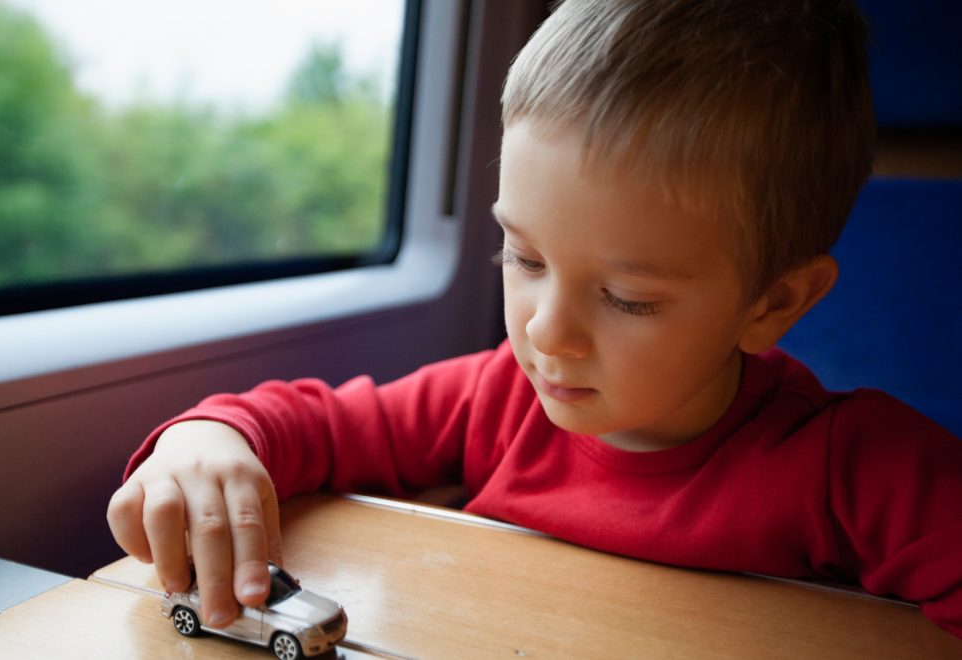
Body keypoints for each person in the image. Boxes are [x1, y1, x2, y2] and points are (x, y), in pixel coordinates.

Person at [107, 0, 962, 639]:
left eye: (628, 298)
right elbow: (318, 423)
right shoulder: (493, 398)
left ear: (773, 302)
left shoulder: (855, 471)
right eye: (525, 257)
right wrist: (213, 441)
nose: (548, 333)